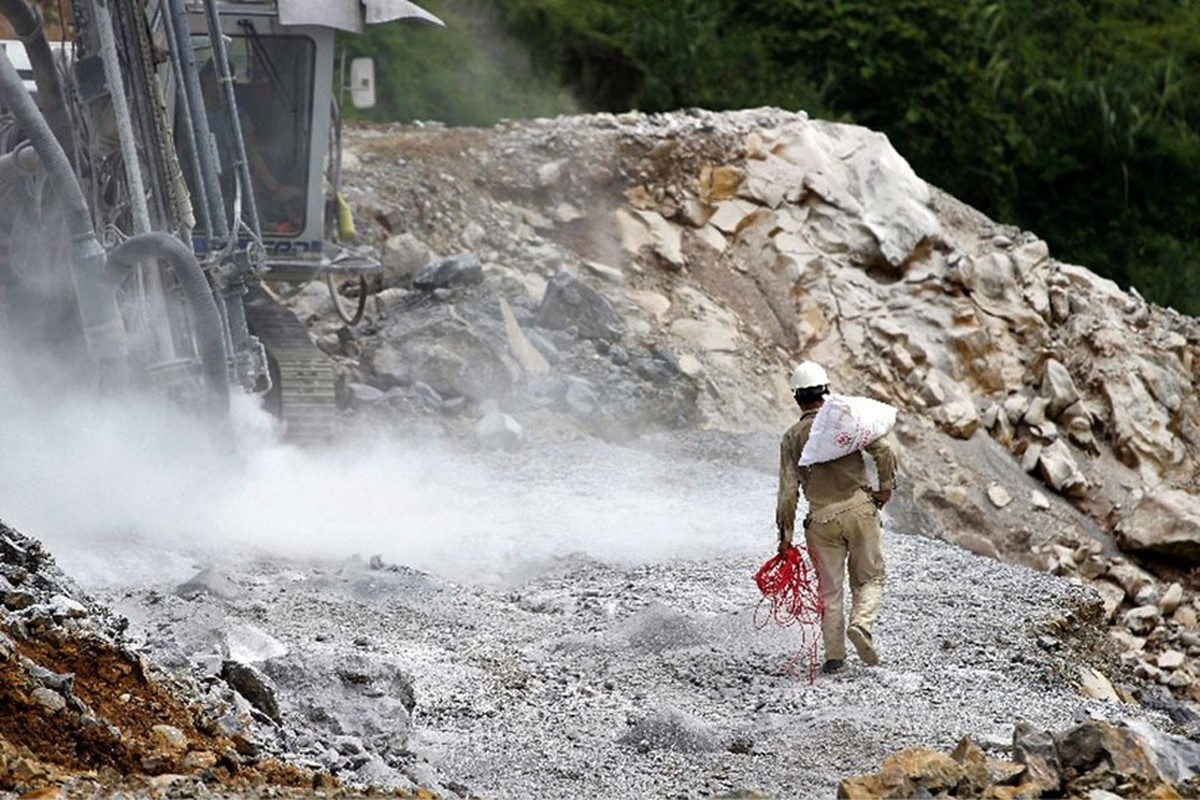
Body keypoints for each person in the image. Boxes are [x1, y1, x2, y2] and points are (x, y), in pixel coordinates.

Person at [775, 360, 898, 675]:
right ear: (825, 390)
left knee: (829, 592)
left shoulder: (791, 438)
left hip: (821, 520)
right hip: (859, 509)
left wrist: (785, 538)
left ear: (796, 397)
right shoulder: (845, 423)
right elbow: (885, 452)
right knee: (870, 577)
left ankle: (834, 658)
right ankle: (861, 624)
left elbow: (788, 493)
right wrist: (885, 489)